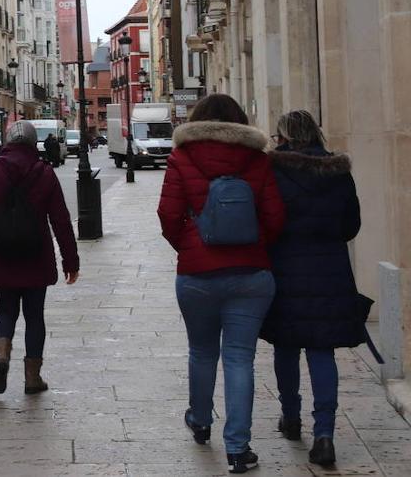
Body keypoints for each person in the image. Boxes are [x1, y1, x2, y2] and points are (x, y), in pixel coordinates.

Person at [157, 93, 285, 474]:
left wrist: (189, 245)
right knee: (239, 357)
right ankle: (238, 448)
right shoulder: (258, 159)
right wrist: (256, 244)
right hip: (251, 274)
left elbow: (168, 214)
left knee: (201, 352)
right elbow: (276, 217)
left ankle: (200, 419)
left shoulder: (181, 157)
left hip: (197, 275)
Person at [260, 110, 367, 469]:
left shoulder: (274, 171)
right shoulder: (338, 171)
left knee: (286, 347)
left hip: (286, 271)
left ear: (285, 138)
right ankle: (325, 435)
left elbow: (266, 221)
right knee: (322, 353)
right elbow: (351, 225)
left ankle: (291, 417)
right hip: (330, 273)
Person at [0, 120, 79, 396]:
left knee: (5, 311)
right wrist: (70, 261)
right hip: (36, 255)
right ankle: (32, 377)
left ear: (7, 142)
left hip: (2, 254)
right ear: (32, 143)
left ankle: (2, 355)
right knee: (34, 316)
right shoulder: (44, 172)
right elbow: (61, 220)